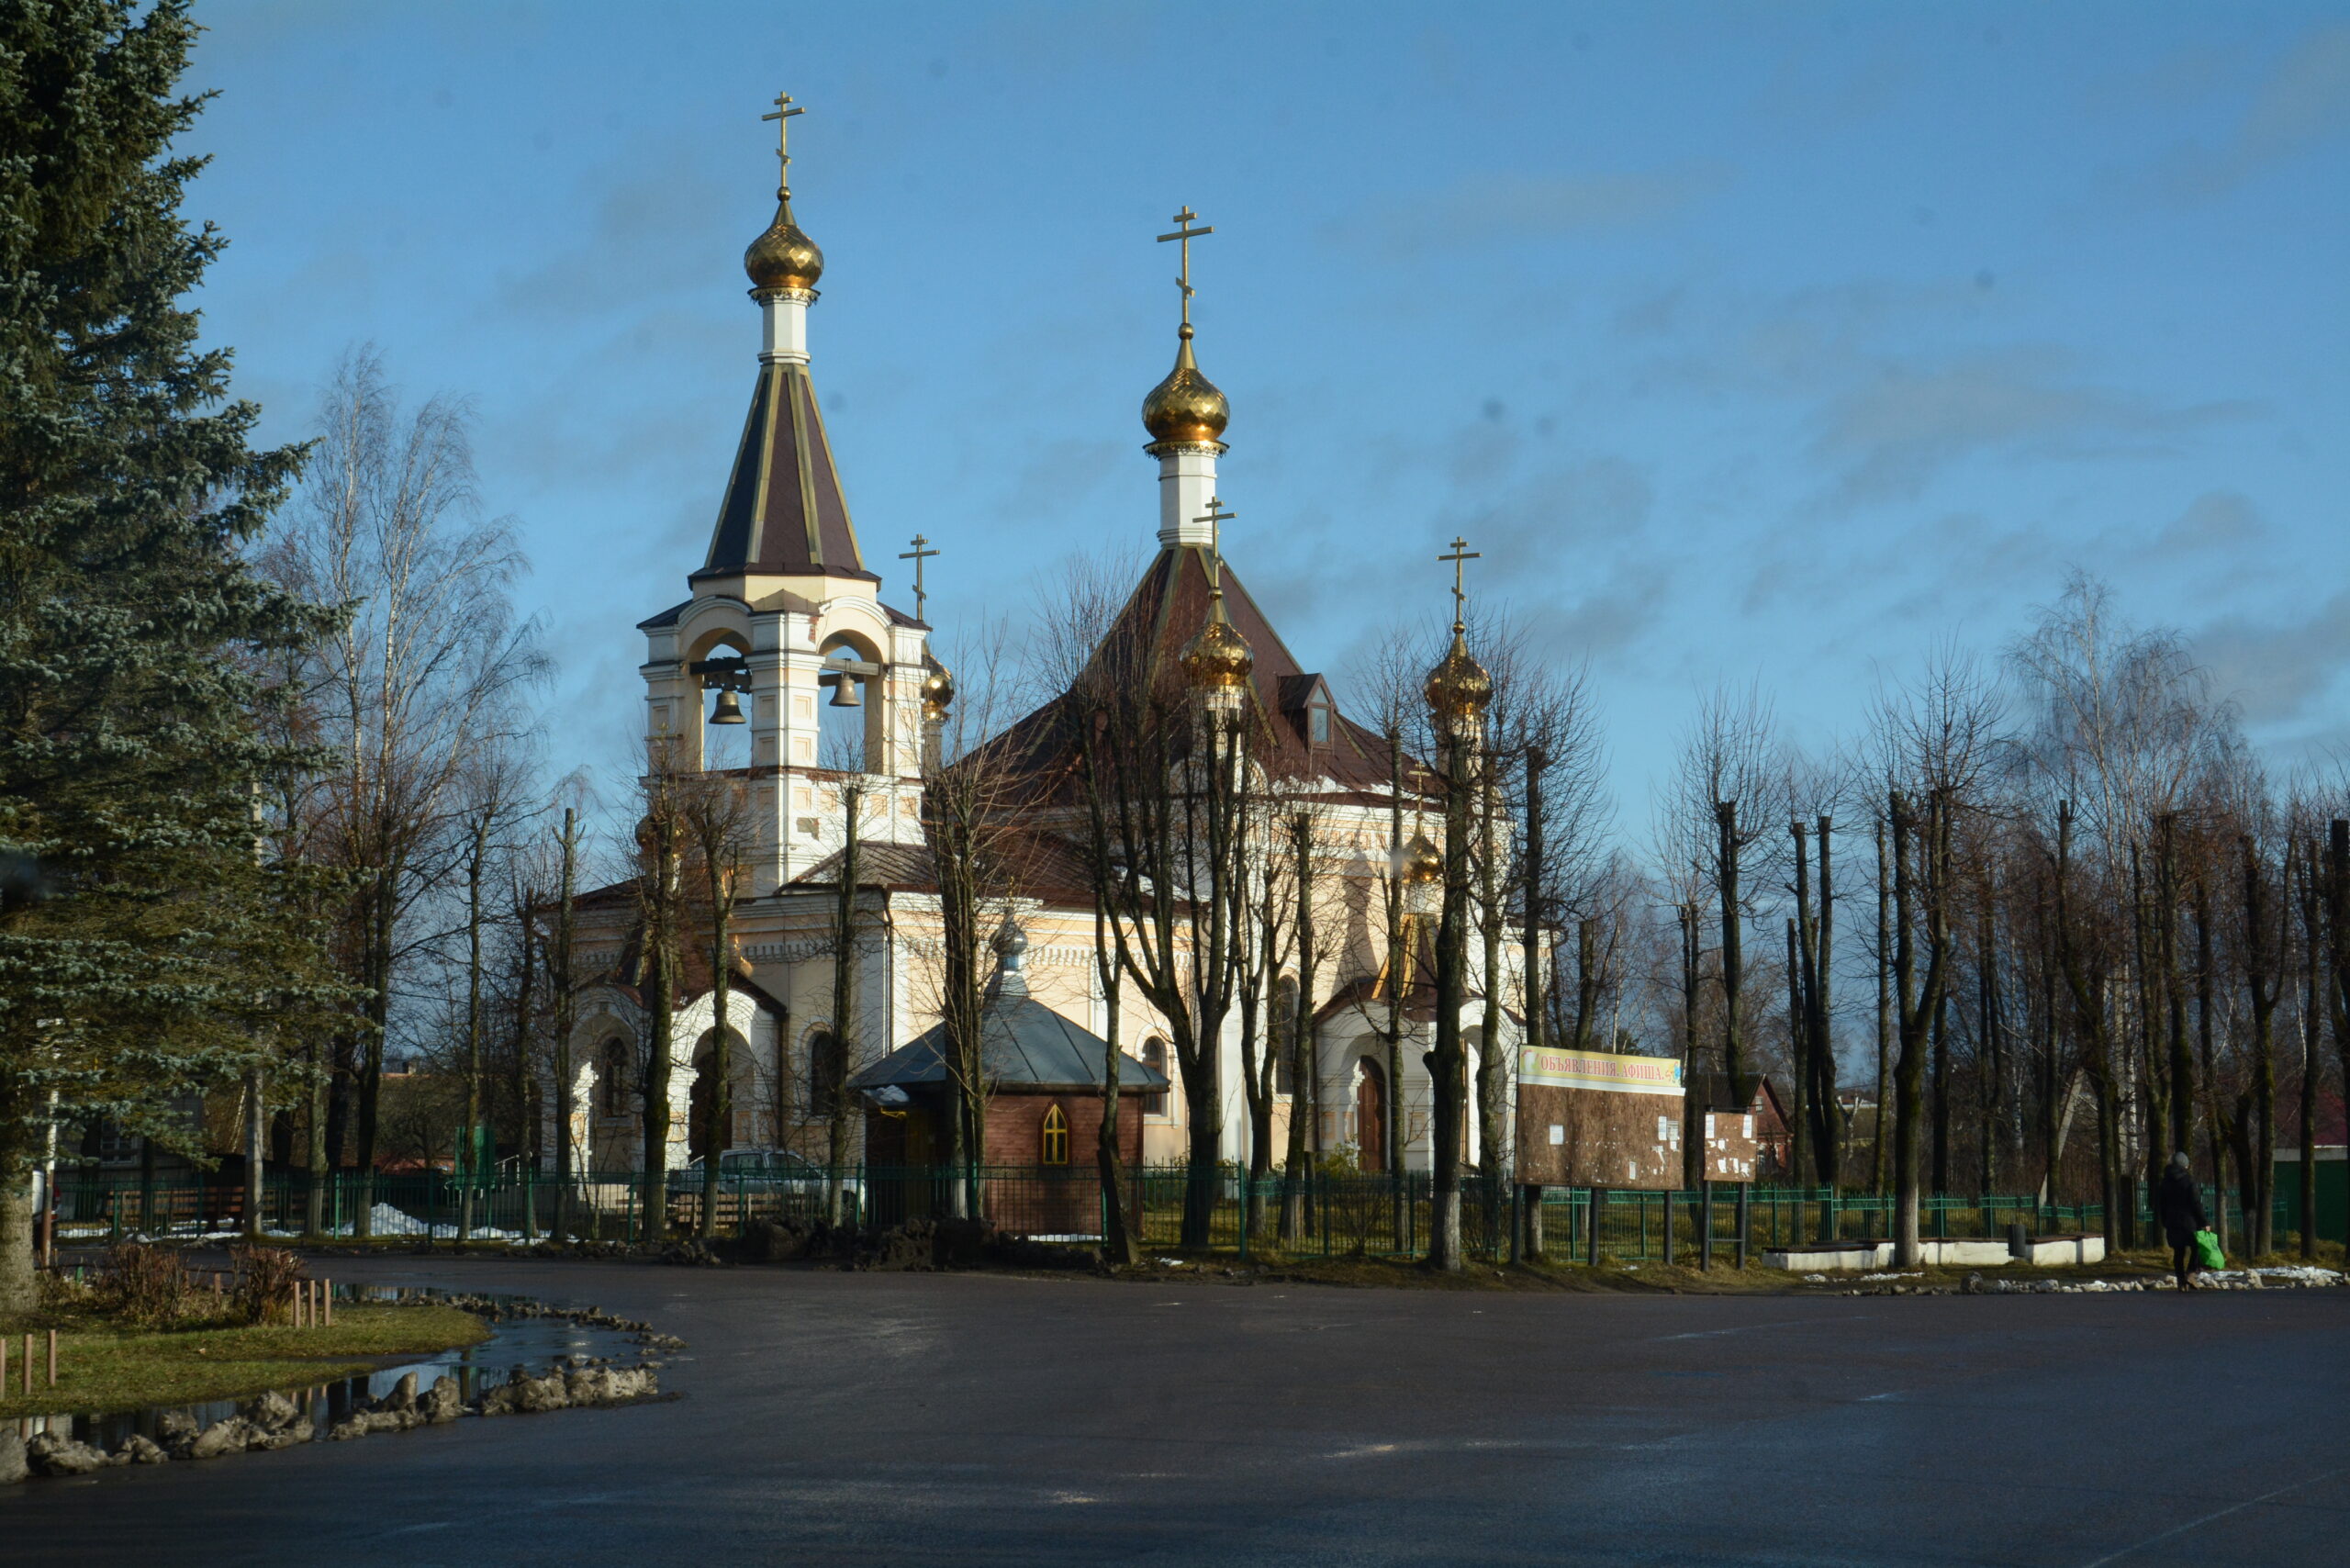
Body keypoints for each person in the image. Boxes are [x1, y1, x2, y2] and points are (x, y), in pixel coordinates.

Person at [2154, 1151, 2207, 1292]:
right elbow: (2196, 1203)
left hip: (2172, 1222)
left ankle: (2180, 1281)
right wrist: (2204, 1222)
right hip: (2189, 1222)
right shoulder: (2189, 1181)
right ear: (2185, 1165)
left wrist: (2165, 1220)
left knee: (2179, 1251)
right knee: (2197, 1246)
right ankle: (2190, 1273)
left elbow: (2162, 1204)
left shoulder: (2165, 1182)